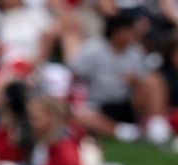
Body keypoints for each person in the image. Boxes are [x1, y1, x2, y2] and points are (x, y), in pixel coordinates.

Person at [67, 11, 171, 145]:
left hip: (127, 103)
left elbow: (143, 82)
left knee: (155, 80)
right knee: (78, 115)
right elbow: (75, 75)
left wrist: (135, 81)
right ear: (117, 31)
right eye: (128, 30)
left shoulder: (135, 51)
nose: (132, 35)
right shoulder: (93, 48)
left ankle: (156, 125)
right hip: (100, 105)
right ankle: (122, 131)